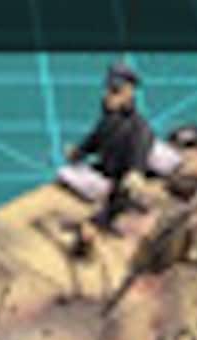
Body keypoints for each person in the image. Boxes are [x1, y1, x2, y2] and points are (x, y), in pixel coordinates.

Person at [66, 61, 154, 234]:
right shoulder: (108, 120)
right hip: (105, 169)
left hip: (121, 179)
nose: (108, 96)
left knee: (118, 200)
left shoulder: (137, 126)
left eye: (115, 91)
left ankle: (104, 222)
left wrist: (135, 171)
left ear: (128, 93)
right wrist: (79, 152)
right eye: (108, 90)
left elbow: (141, 147)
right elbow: (95, 139)